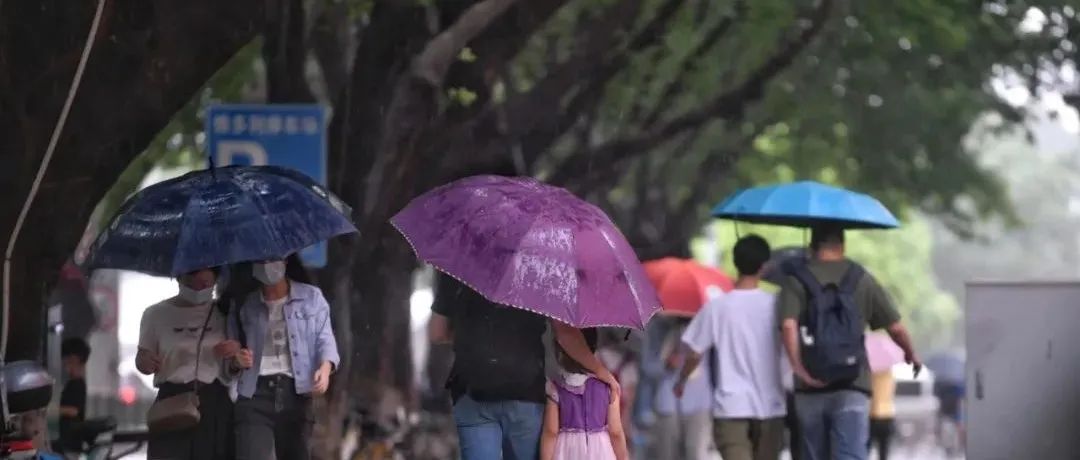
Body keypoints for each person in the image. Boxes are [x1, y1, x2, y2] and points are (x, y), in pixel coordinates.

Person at [429, 273, 621, 460]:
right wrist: (600, 370)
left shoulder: (458, 265)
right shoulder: (537, 268)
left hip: (471, 389)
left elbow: (437, 332)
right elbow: (565, 333)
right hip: (524, 392)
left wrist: (469, 337)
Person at [777, 224, 921, 460]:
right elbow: (895, 328)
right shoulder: (862, 279)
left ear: (812, 247)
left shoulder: (795, 280)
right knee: (850, 455)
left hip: (809, 387)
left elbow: (788, 326)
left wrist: (799, 369)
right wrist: (910, 354)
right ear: (842, 245)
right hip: (853, 385)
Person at [675, 235, 787, 460]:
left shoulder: (717, 308)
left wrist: (682, 380)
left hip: (730, 407)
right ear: (764, 266)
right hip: (772, 405)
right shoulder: (778, 305)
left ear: (735, 263)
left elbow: (695, 352)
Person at [228, 256, 340, 460]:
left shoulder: (311, 297)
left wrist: (325, 369)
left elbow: (325, 339)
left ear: (286, 261)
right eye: (261, 260)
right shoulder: (244, 304)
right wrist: (236, 360)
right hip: (254, 394)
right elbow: (230, 355)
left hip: (296, 395)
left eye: (274, 258)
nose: (268, 265)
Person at [137, 267, 235, 460]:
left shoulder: (225, 313)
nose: (199, 288)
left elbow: (235, 365)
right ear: (179, 277)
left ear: (215, 279)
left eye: (205, 284)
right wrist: (145, 361)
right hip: (172, 401)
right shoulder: (155, 314)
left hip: (213, 402)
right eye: (192, 281)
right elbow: (142, 358)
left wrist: (234, 354)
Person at [540, 328, 629, 460]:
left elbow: (551, 431)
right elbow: (615, 432)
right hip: (601, 451)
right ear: (594, 347)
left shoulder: (557, 388)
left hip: (567, 451)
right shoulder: (608, 387)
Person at [643, 317, 712, 460]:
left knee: (695, 454)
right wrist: (665, 365)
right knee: (667, 455)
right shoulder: (657, 328)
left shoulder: (706, 326)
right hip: (668, 405)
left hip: (699, 403)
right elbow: (647, 367)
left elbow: (715, 366)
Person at [57, 338, 90, 454]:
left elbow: (73, 410)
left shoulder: (77, 384)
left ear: (77, 360)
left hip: (71, 443)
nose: (66, 366)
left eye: (69, 361)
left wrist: (52, 410)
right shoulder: (72, 383)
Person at [868, 367, 896, 460]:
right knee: (884, 452)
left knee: (865, 450)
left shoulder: (869, 373)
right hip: (887, 414)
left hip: (871, 414)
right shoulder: (890, 374)